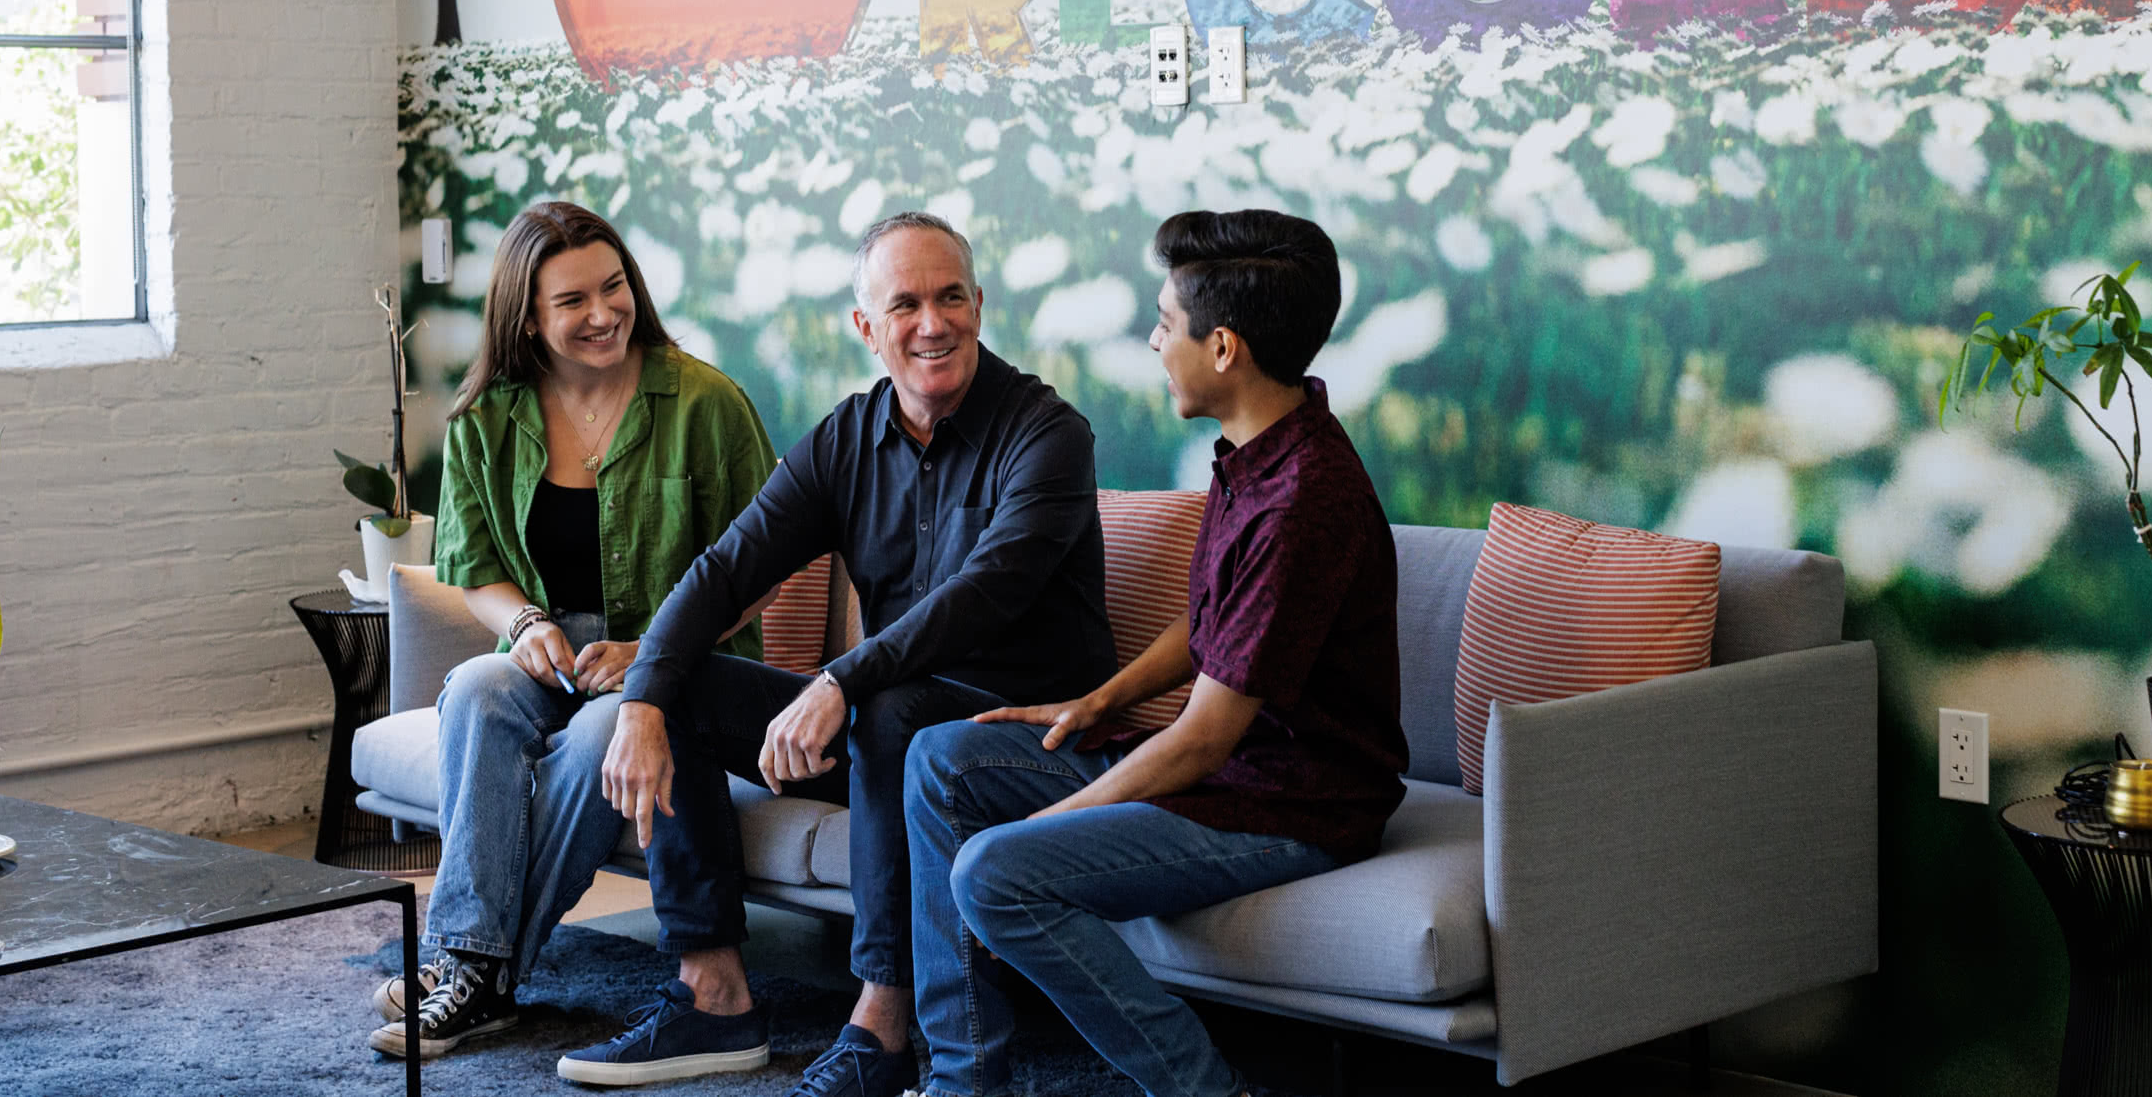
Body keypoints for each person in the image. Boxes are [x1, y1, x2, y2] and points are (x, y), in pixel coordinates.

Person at [569, 212, 1113, 1094]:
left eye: (950, 298)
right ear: (867, 328)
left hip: (1025, 744)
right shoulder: (846, 440)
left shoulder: (1048, 432)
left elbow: (985, 595)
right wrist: (641, 702)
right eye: (904, 304)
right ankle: (714, 995)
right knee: (689, 689)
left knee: (894, 712)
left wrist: (838, 680)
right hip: (882, 727)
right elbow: (723, 571)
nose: (931, 323)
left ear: (980, 304)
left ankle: (881, 1024)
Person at [901, 208, 1408, 1097]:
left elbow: (1206, 738)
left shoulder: (1302, 503)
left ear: (1223, 349)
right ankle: (965, 1078)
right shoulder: (1260, 447)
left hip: (1290, 810)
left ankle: (1205, 1088)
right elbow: (1212, 618)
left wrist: (1055, 821)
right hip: (1230, 782)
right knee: (943, 760)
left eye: (1166, 325)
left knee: (995, 870)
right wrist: (1095, 705)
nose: (1151, 339)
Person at [368, 201, 777, 1062]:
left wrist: (654, 656)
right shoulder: (487, 415)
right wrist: (521, 624)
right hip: (550, 651)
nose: (604, 314)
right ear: (526, 315)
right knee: (476, 687)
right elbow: (472, 565)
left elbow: (756, 571)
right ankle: (478, 968)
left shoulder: (706, 402)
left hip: (669, 665)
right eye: (573, 301)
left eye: (615, 287)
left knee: (603, 734)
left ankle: (472, 970)